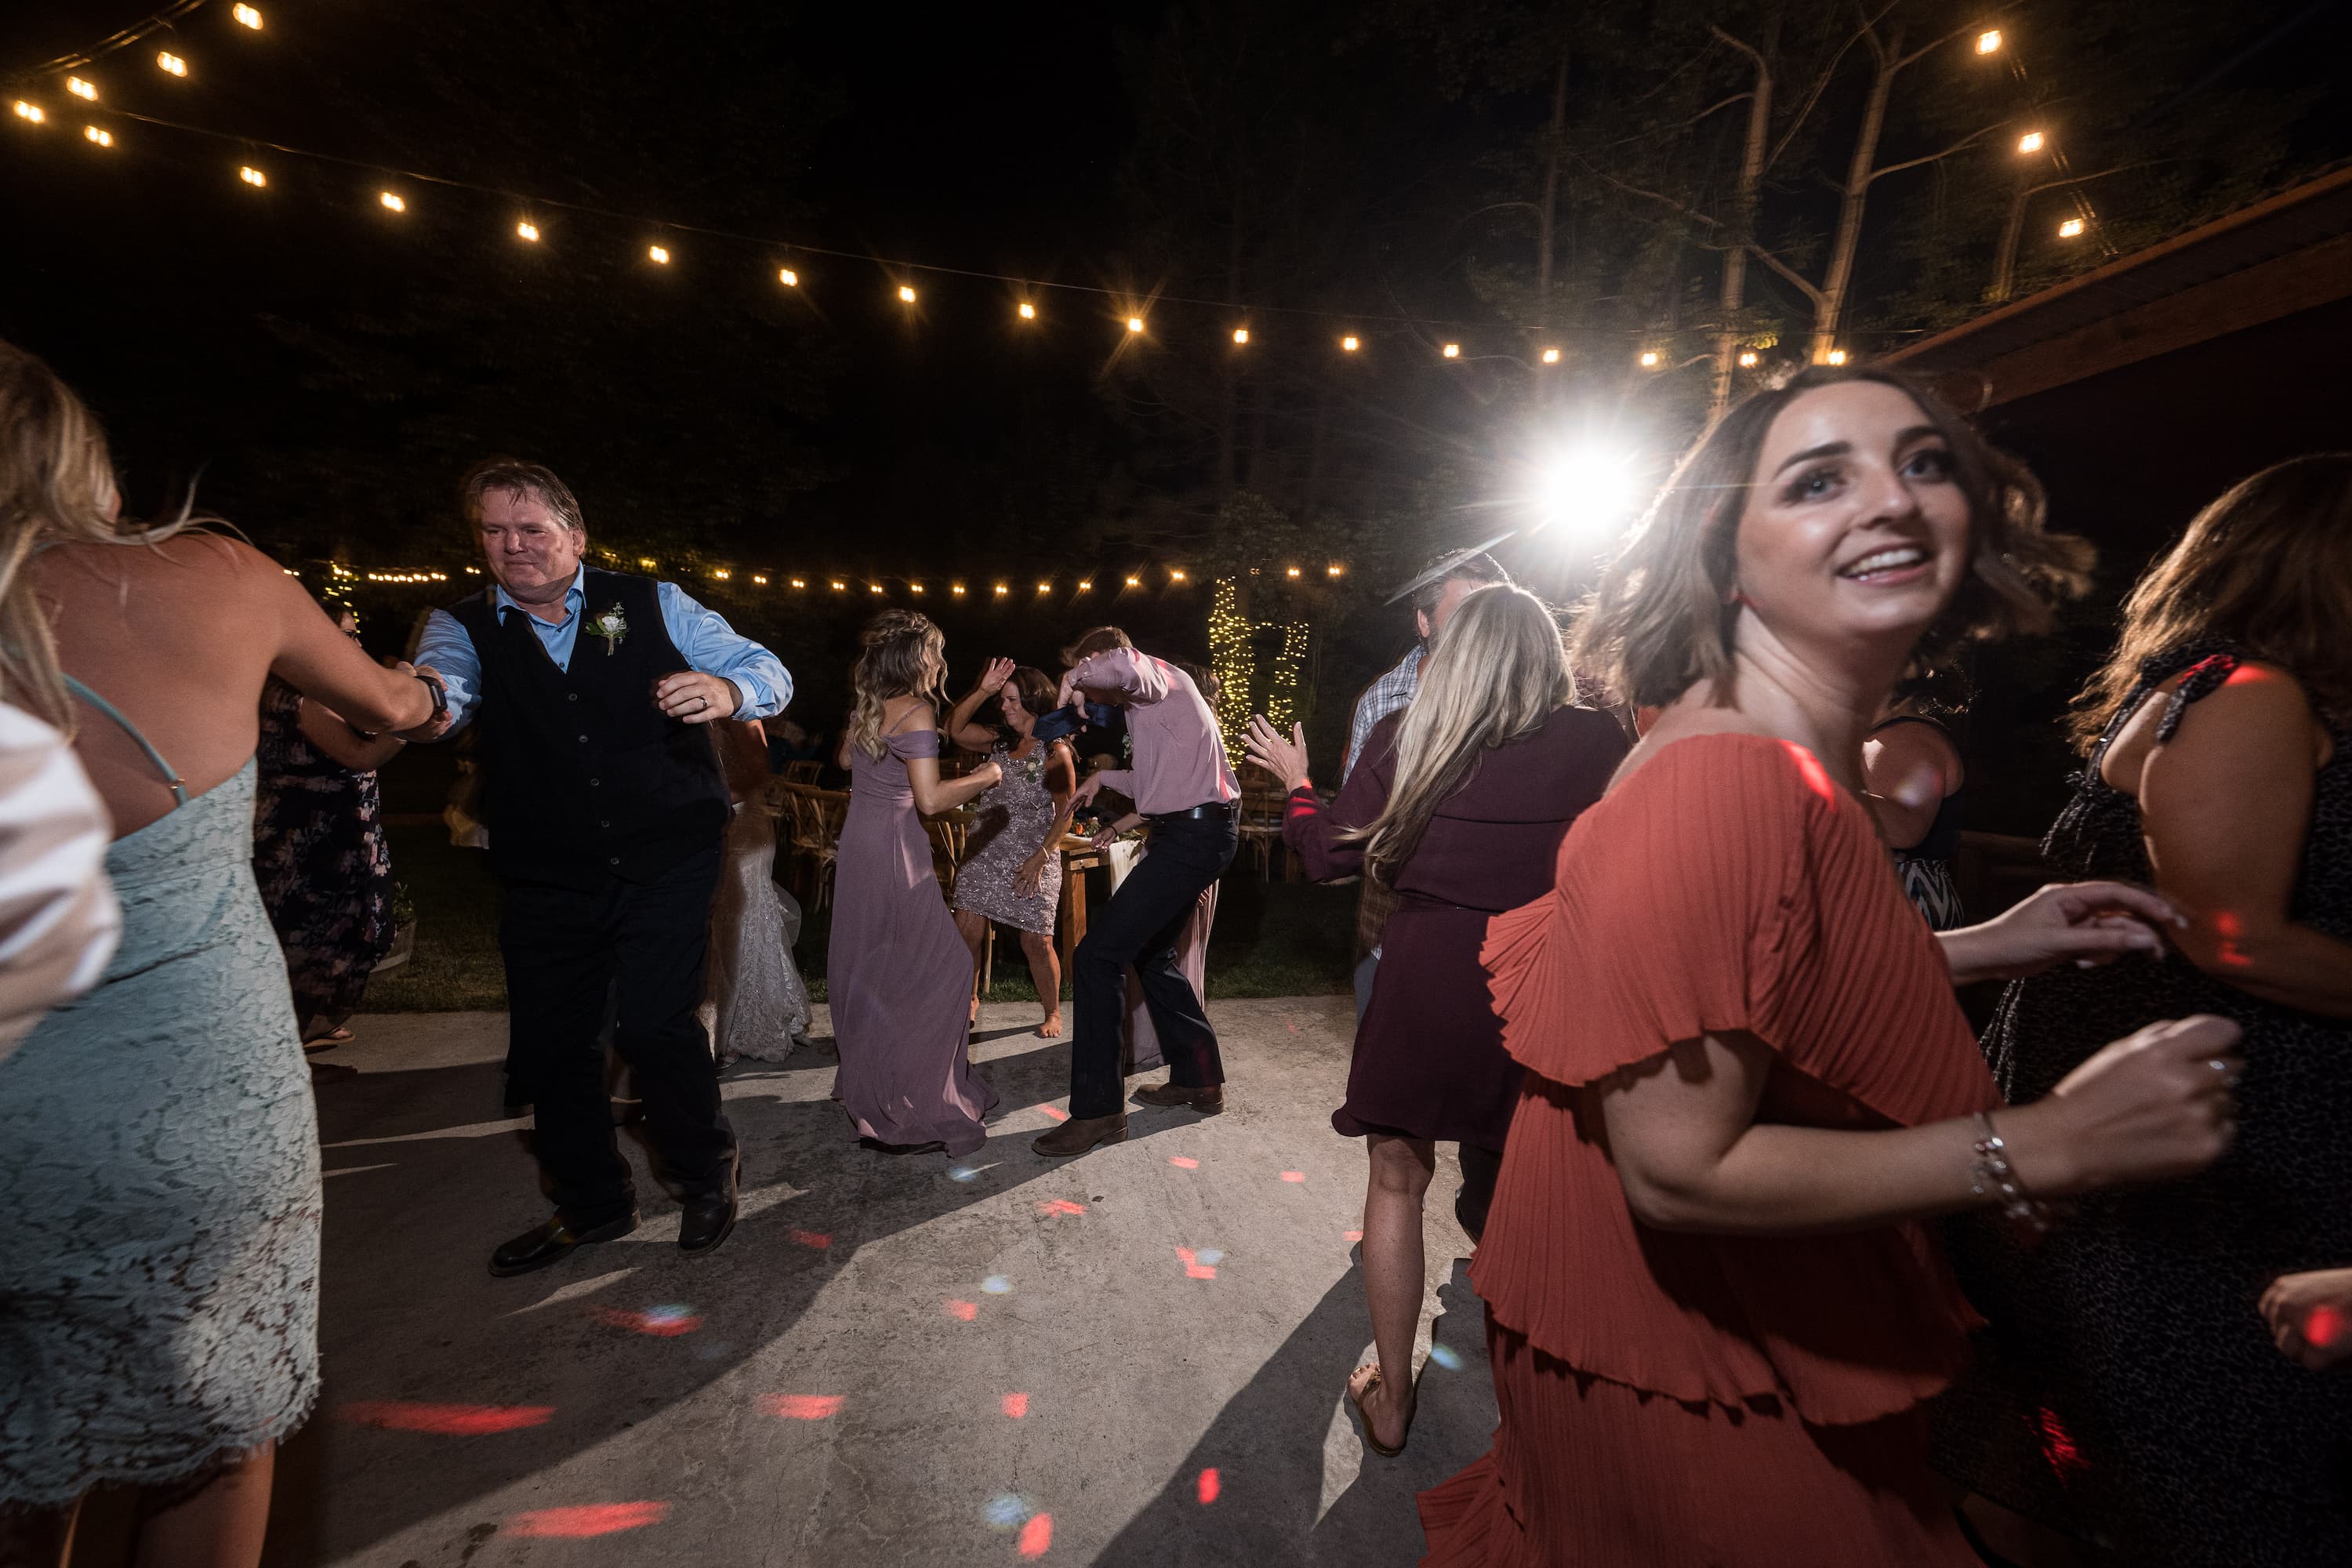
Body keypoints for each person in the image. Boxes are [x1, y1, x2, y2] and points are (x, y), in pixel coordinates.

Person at [1417, 365, 2244, 1566]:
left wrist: (1989, 943)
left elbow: (1755, 981)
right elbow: (1679, 1168)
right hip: (1696, 1363)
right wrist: (2050, 1142)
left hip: (1702, 1331)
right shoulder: (1730, 779)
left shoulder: (1766, 747)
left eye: (1923, 464)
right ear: (1727, 544)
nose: (1894, 501)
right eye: (1820, 478)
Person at [0, 343, 442, 1566]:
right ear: (74, 455)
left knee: (21, 1452)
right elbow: (390, 712)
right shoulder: (218, 579)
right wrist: (424, 686)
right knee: (208, 1437)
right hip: (182, 1103)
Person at [1939, 453, 2352, 1566]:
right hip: (2231, 1131)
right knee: (2218, 1469)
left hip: (2174, 1113)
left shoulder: (2198, 684)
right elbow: (2234, 934)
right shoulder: (2251, 696)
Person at [1244, 583, 1628, 1457]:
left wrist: (1299, 786)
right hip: (1541, 975)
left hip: (1423, 974)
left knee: (1395, 1181)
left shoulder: (1407, 733)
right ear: (1548, 653)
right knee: (1535, 1194)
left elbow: (1325, 857)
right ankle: (1546, 1414)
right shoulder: (1601, 740)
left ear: (1451, 652)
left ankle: (1392, 1399)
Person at [408, 458, 791, 1275]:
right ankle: (592, 1201)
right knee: (554, 1044)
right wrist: (419, 701)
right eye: (495, 531)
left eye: (532, 529)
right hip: (547, 866)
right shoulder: (461, 626)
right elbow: (440, 692)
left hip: (665, 853)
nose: (513, 547)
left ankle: (703, 1170)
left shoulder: (655, 601)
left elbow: (768, 670)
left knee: (655, 1024)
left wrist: (727, 690)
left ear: (575, 538)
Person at [1031, 626, 1239, 1158]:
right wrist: (1106, 780)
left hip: (1191, 838)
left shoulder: (1157, 676)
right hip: (1193, 832)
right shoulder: (1153, 705)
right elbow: (1159, 781)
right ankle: (1199, 1078)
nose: (1093, 695)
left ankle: (1099, 1112)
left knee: (1097, 956)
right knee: (1152, 955)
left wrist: (1075, 676)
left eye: (1088, 670)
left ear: (1101, 657)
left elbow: (1124, 665)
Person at [829, 611, 1004, 1155]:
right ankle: (917, 1099)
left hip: (858, 844)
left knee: (873, 968)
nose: (939, 662)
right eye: (934, 652)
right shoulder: (919, 711)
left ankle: (877, 1083)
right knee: (948, 966)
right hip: (895, 851)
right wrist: (986, 776)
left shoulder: (871, 705)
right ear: (916, 658)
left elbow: (842, 759)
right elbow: (929, 800)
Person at [252, 604, 405, 1051]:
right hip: (317, 843)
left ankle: (306, 1029)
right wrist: (407, 723)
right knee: (324, 940)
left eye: (355, 634)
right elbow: (363, 756)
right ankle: (290, 1042)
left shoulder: (291, 688)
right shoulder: (306, 697)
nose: (356, 645)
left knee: (330, 936)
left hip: (320, 836)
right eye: (344, 636)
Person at [946, 659, 1076, 1037]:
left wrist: (1040, 857)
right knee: (966, 926)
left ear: (1034, 702)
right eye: (1002, 699)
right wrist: (982, 691)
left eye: (1012, 700)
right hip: (986, 851)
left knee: (1036, 939)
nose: (1004, 707)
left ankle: (1052, 1011)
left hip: (1034, 855)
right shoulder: (998, 740)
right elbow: (954, 729)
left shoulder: (1055, 752)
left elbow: (1065, 814)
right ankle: (969, 999)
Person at [702, 717, 810, 1065]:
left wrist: (704, 802)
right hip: (711, 826)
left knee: (742, 924)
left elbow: (755, 772)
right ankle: (719, 1027)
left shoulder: (741, 714)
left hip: (743, 826)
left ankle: (734, 1031)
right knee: (721, 926)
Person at [1862, 668, 1969, 929]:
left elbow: (1904, 830)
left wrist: (1807, 778)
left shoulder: (1906, 738)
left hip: (1899, 903)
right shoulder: (1881, 736)